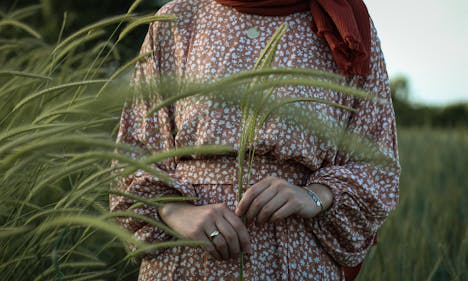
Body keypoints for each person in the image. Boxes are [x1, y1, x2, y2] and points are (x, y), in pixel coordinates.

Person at [110, 0, 400, 280]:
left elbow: (377, 163)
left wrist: (315, 195)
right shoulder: (176, 20)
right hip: (184, 259)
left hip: (299, 258)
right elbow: (135, 153)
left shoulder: (344, 25)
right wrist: (174, 210)